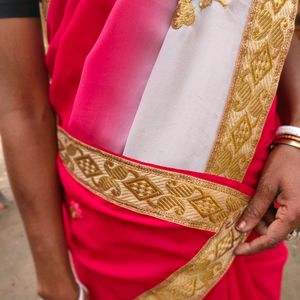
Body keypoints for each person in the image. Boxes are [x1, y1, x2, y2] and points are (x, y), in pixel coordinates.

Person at [0, 0, 300, 299]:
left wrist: (295, 133)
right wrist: (54, 280)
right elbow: (22, 106)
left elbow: (279, 16)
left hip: (242, 203)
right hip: (108, 220)